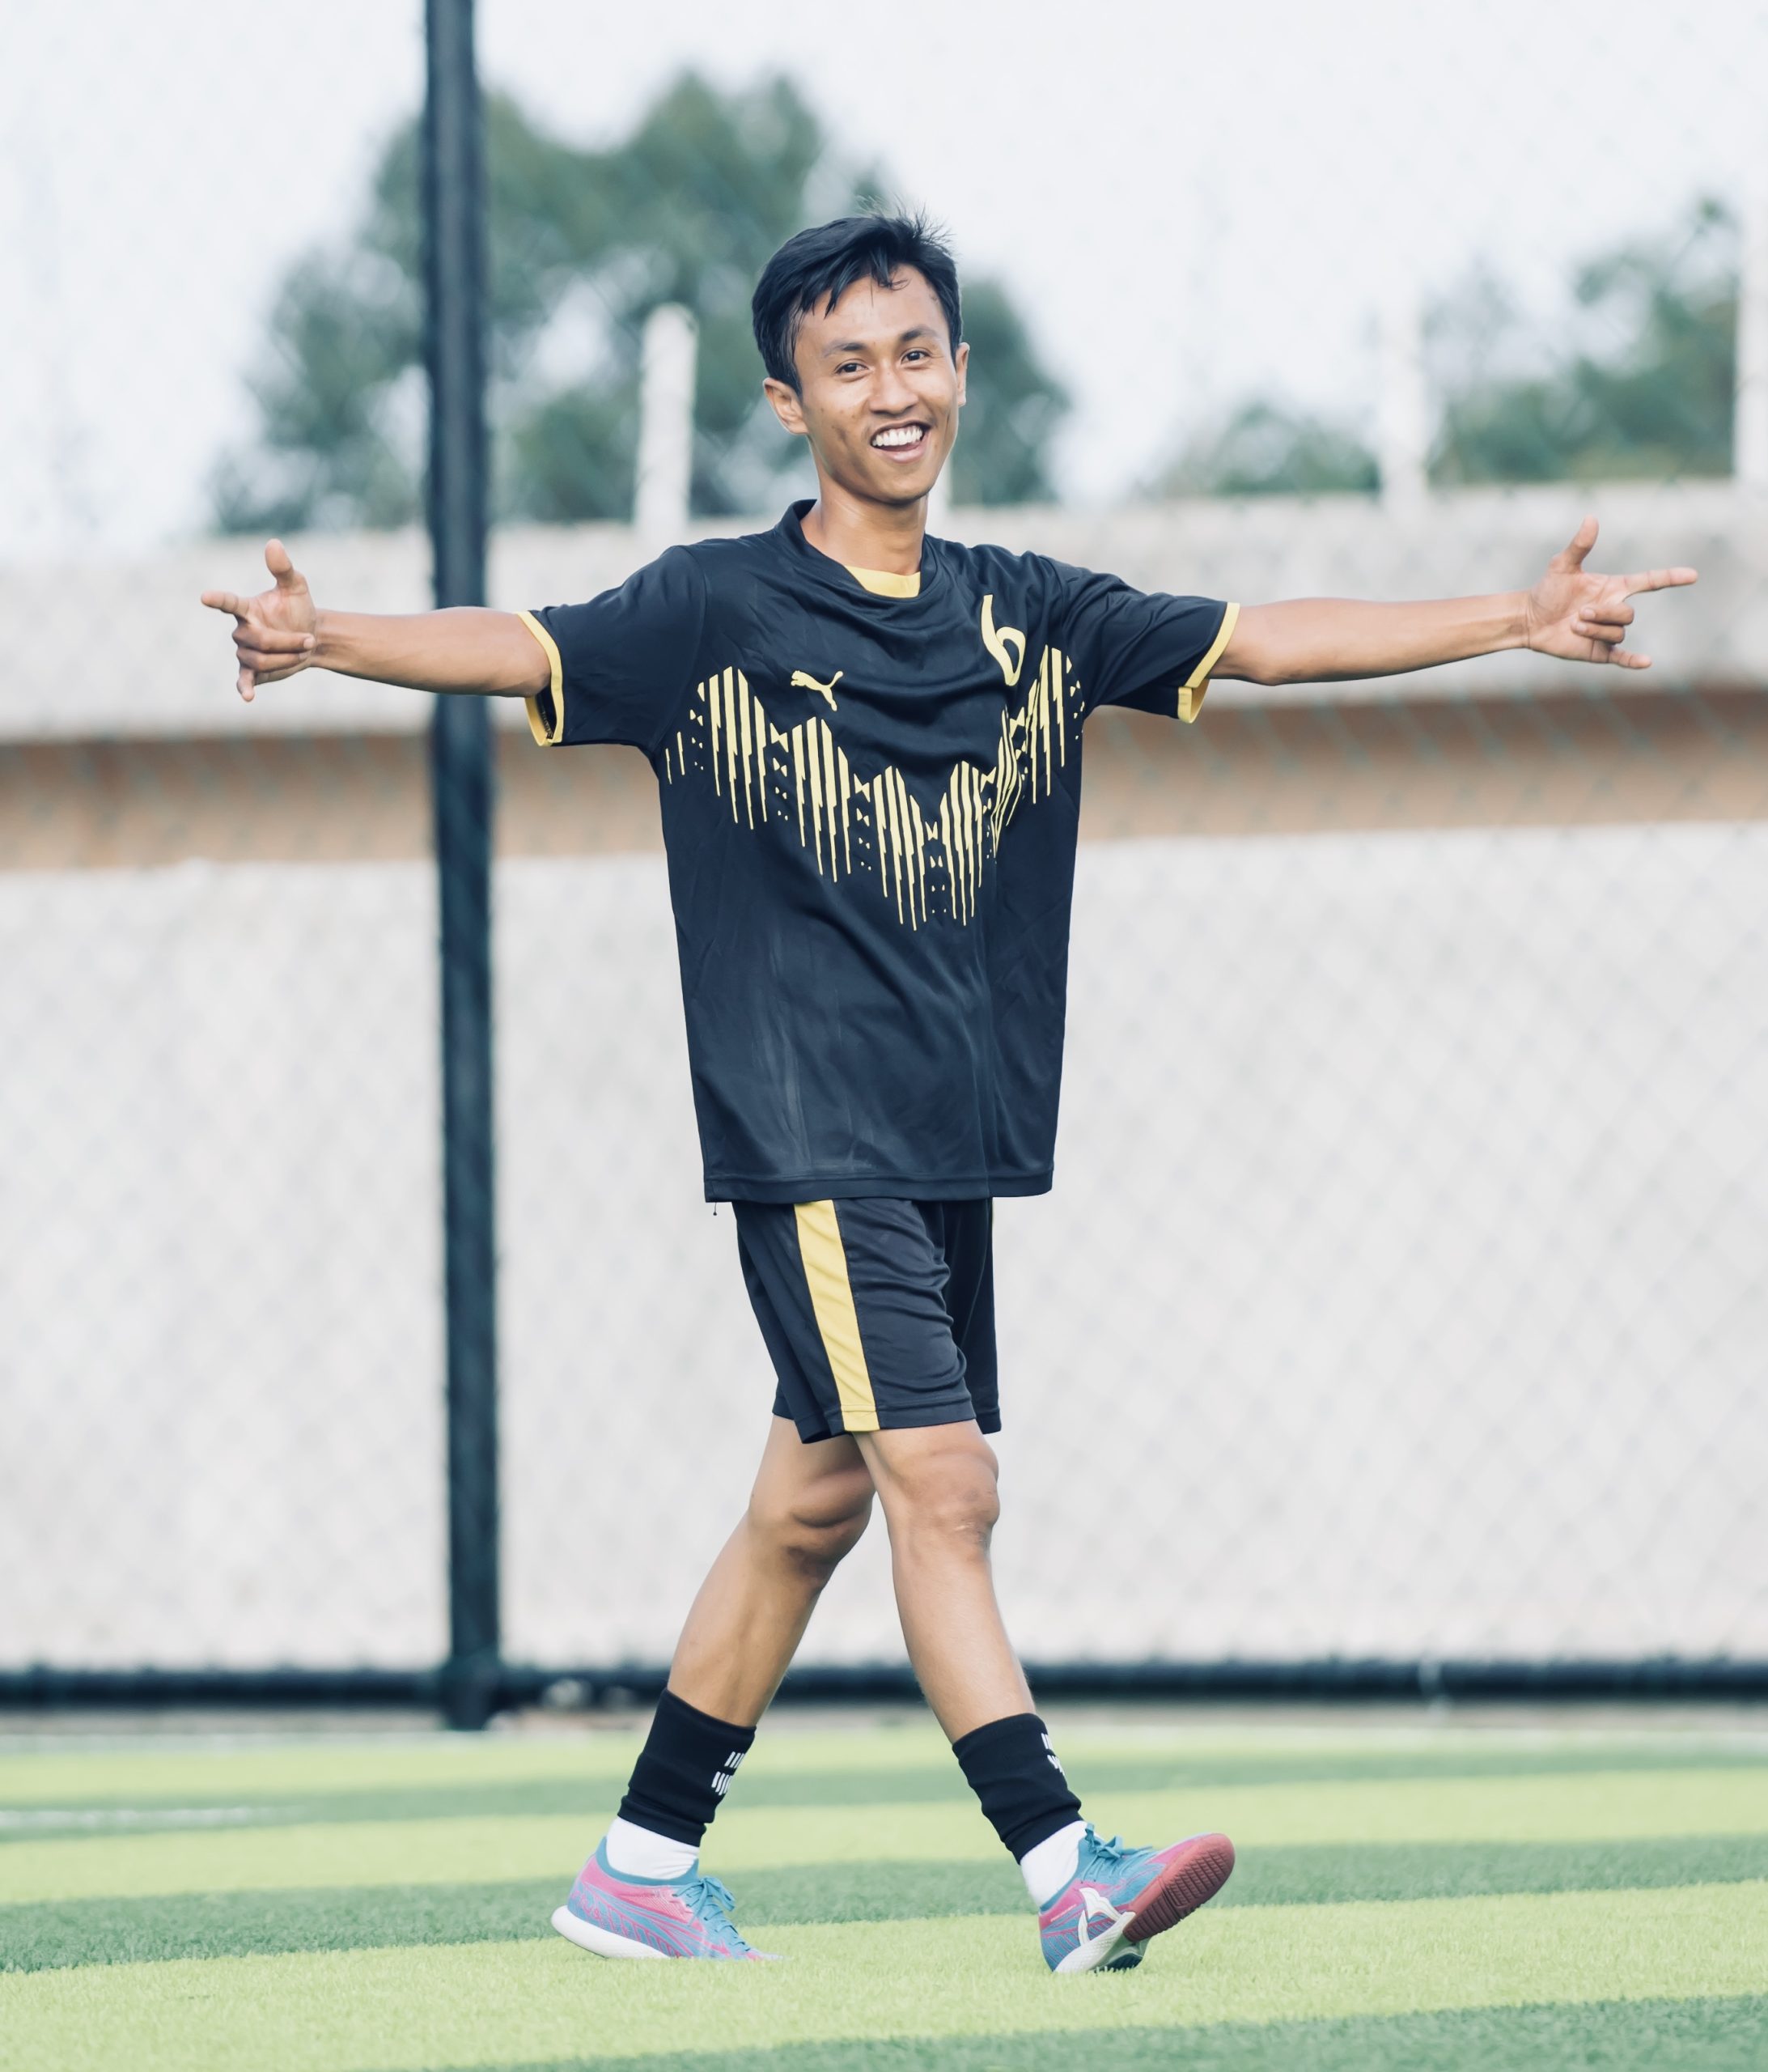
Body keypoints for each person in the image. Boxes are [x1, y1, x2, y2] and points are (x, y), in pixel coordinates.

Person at [203, 212, 1697, 1976]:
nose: (890, 390)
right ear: (788, 404)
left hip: (948, 1143)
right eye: (846, 366)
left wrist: (1516, 617)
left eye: (915, 354)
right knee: (945, 1483)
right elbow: (523, 645)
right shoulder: (710, 611)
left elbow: (1266, 642)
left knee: (813, 1503)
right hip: (810, 1134)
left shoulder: (1032, 612)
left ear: (959, 372)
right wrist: (328, 638)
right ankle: (1066, 1872)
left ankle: (637, 1865)